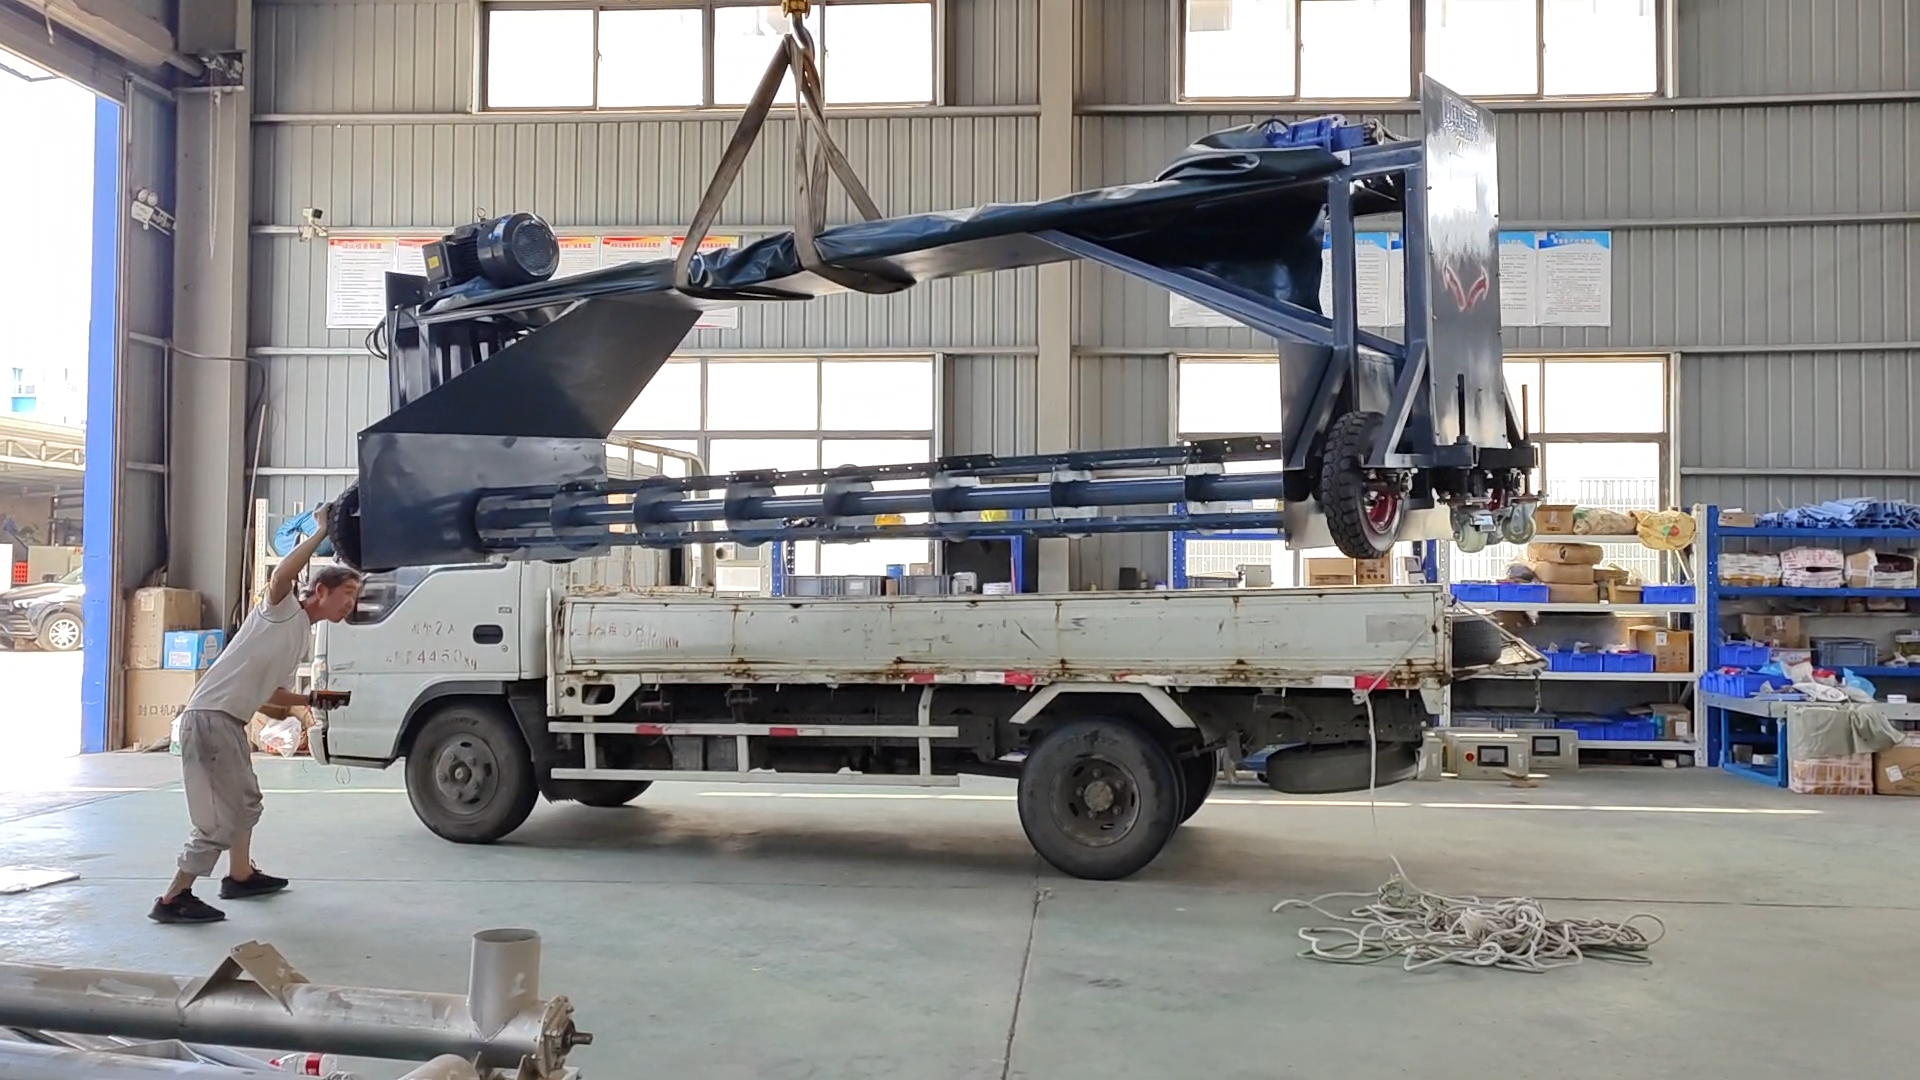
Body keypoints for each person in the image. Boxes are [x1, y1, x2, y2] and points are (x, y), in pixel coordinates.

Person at [149, 503, 363, 924]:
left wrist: (311, 699)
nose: (351, 605)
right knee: (218, 820)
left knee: (246, 805)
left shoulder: (300, 637)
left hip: (228, 722)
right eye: (348, 595)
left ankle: (240, 876)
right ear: (321, 590)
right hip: (210, 720)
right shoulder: (283, 610)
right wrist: (320, 532)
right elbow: (281, 576)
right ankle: (173, 898)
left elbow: (269, 698)